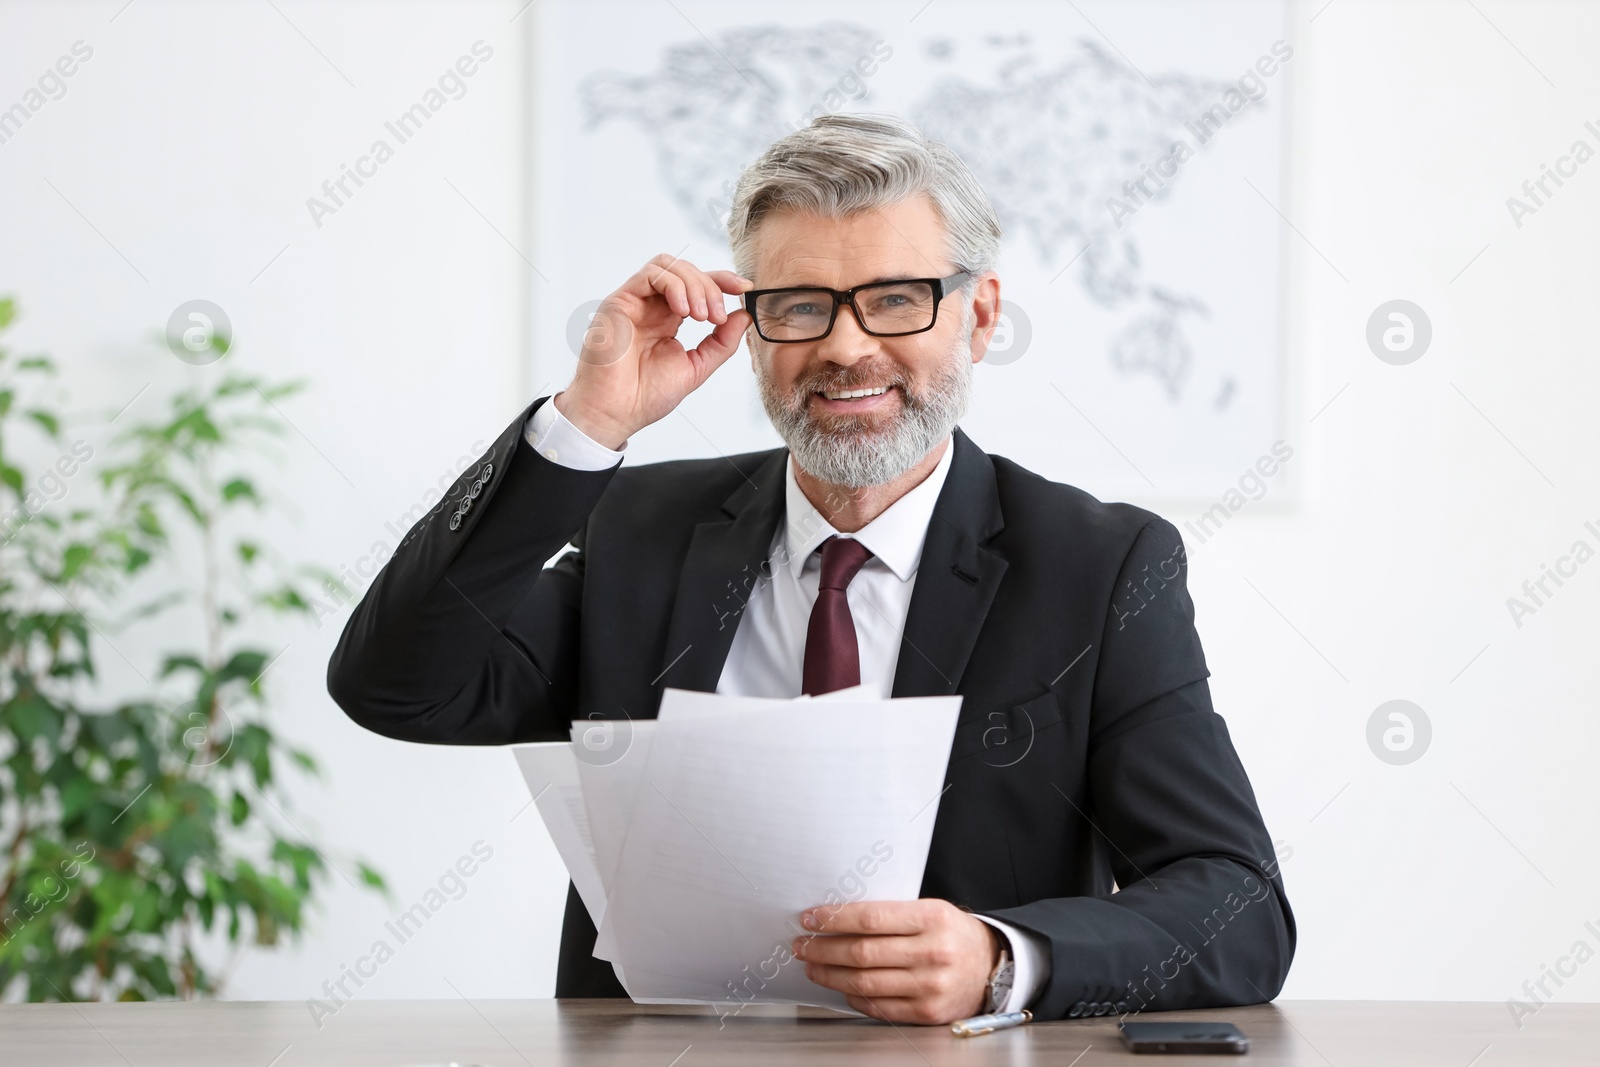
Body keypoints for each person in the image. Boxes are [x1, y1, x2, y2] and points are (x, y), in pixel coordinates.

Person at [327, 112, 1294, 1025]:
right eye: (798, 306)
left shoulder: (1097, 566)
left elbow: (1236, 902)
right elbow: (399, 687)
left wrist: (1004, 959)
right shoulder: (641, 529)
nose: (844, 344)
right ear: (751, 328)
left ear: (980, 316)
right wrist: (586, 427)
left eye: (896, 299)